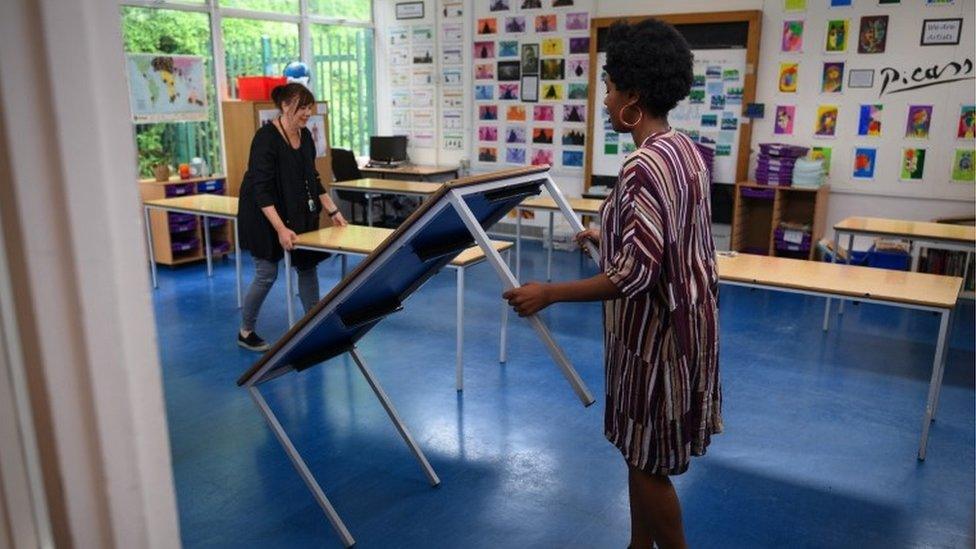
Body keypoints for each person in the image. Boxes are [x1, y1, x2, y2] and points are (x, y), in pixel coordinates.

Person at [503, 19, 721, 549]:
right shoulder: (685, 150)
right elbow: (668, 235)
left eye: (608, 87)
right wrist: (609, 232)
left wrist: (548, 293)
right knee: (638, 450)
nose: (603, 100)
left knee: (649, 465)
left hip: (655, 340)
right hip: (686, 326)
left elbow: (635, 274)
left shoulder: (643, 166)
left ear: (633, 97)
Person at [237, 83, 347, 351]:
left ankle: (314, 323)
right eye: (302, 107)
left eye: (310, 107)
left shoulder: (305, 136)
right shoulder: (265, 139)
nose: (308, 112)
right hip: (264, 214)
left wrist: (333, 210)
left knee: (307, 264)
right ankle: (246, 331)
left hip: (296, 210)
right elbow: (261, 190)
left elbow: (313, 178)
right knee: (267, 273)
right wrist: (280, 229)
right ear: (285, 106)